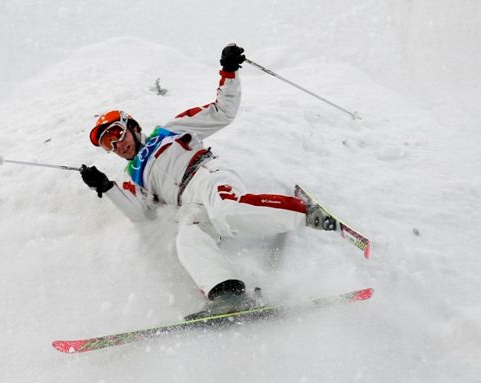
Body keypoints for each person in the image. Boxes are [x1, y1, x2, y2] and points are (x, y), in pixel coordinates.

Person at [80, 44, 334, 319]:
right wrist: (105, 186)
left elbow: (221, 112)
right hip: (188, 205)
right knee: (188, 240)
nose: (117, 145)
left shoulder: (169, 131)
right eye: (108, 143)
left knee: (227, 211)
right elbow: (142, 213)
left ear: (133, 127)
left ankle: (306, 212)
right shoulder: (135, 175)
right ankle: (228, 295)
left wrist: (229, 70)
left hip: (206, 175)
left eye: (117, 133)